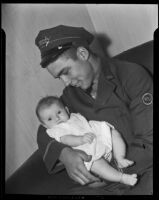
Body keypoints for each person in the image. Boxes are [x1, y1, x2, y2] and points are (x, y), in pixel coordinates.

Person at [35, 25, 153, 195]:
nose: (66, 82)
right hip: (105, 183)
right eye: (59, 77)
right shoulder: (70, 95)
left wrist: (109, 174)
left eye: (66, 72)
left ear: (83, 54)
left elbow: (149, 140)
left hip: (144, 171)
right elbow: (44, 126)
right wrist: (64, 153)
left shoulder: (131, 75)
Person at [36, 95, 138, 186]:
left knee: (113, 133)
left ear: (66, 110)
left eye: (59, 112)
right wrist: (81, 139)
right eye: (50, 119)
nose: (57, 118)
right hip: (86, 150)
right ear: (45, 126)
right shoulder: (56, 130)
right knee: (96, 163)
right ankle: (122, 178)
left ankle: (120, 158)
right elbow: (66, 139)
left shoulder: (73, 117)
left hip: (97, 138)